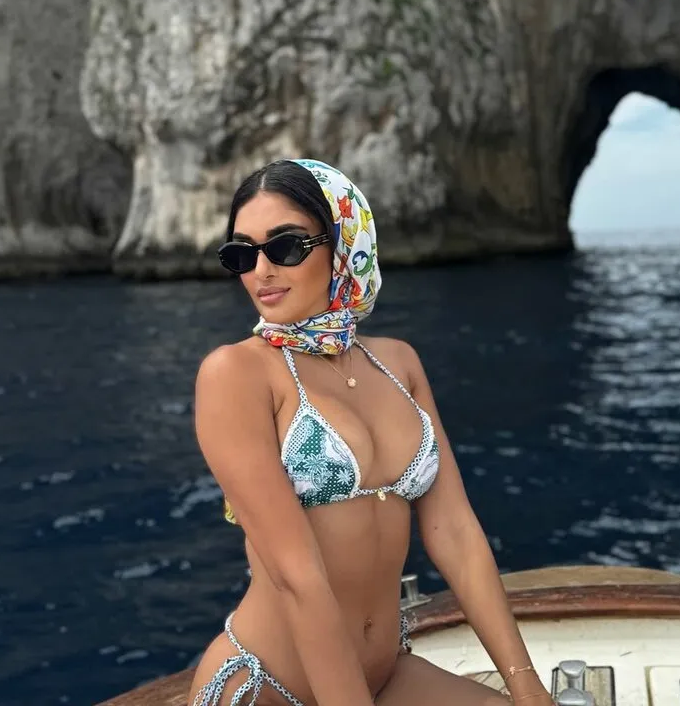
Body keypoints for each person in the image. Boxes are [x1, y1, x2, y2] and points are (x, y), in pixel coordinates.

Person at [188, 158, 555, 706]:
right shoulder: (236, 374)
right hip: (269, 688)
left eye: (285, 246)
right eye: (241, 254)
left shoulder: (398, 364)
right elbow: (295, 577)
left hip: (384, 676)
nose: (260, 270)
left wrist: (527, 688)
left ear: (343, 243)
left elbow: (455, 533)